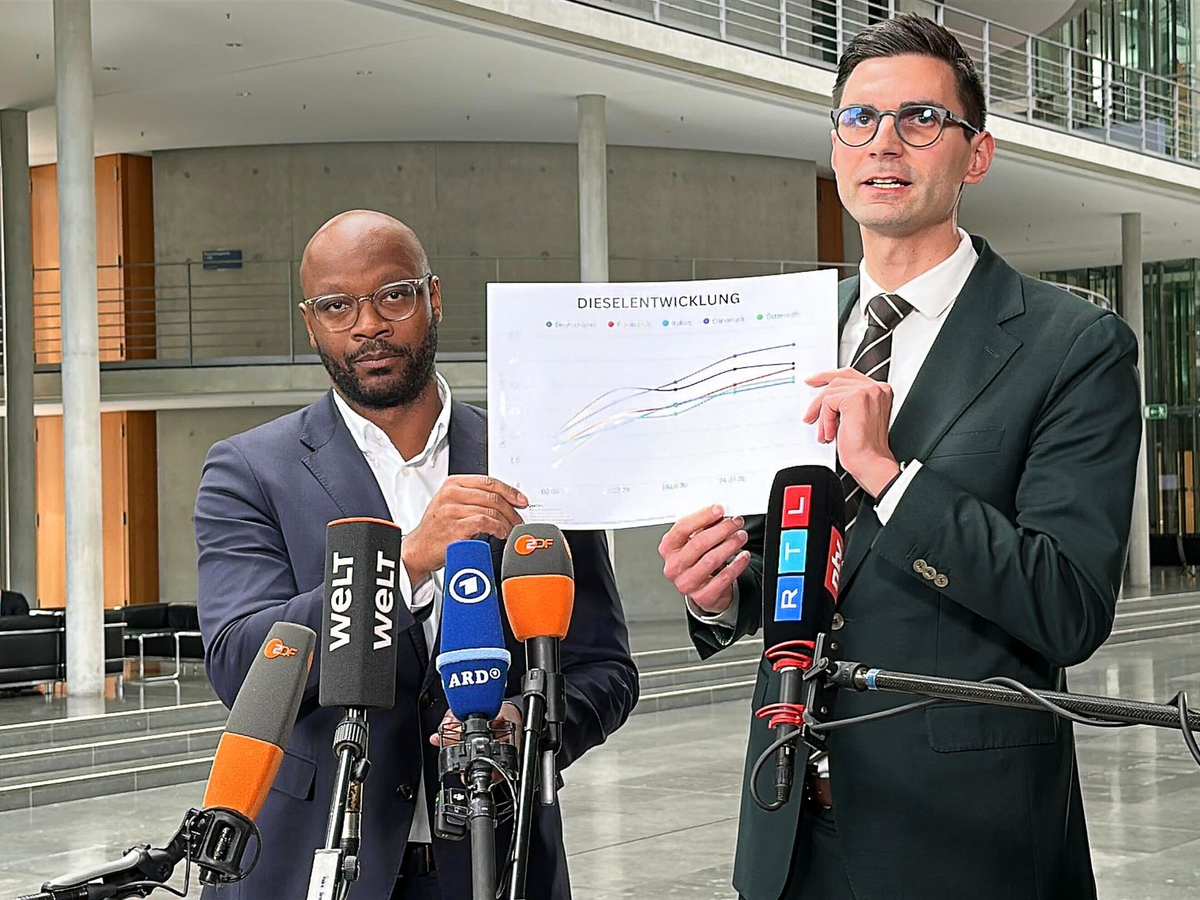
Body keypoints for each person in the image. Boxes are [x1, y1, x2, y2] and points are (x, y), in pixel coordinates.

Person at [658, 15, 1141, 900]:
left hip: (969, 838)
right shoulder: (786, 332)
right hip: (787, 827)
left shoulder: (1072, 343)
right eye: (859, 119)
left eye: (920, 118)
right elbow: (800, 567)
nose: (884, 142)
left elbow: (1068, 607)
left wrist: (889, 475)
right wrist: (722, 592)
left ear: (976, 154)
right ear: (835, 148)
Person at [195, 210, 638, 900]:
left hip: (497, 856)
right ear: (311, 324)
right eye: (337, 306)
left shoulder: (532, 461)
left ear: (432, 297)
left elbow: (603, 669)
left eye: (392, 296)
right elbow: (240, 664)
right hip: (309, 861)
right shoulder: (249, 470)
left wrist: (526, 726)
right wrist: (401, 564)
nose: (367, 325)